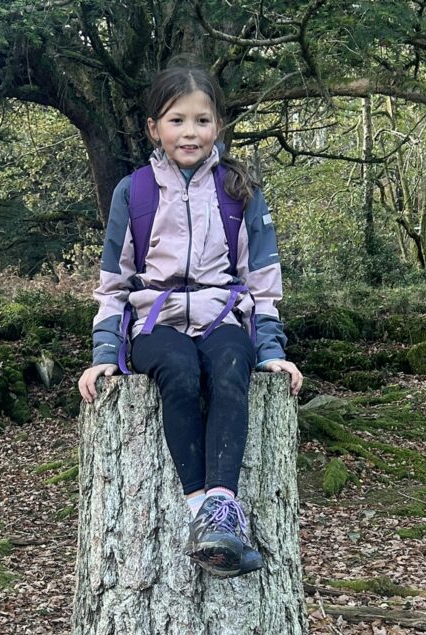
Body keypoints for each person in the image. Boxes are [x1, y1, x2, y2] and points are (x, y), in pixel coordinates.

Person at [78, 65, 302, 579]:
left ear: (218, 126)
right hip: (155, 325)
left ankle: (223, 504)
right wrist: (104, 358)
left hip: (222, 316)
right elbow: (114, 285)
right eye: (177, 120)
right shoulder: (133, 192)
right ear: (154, 128)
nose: (190, 132)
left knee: (228, 366)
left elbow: (264, 283)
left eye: (202, 120)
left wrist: (270, 352)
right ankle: (202, 513)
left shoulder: (238, 189)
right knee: (178, 372)